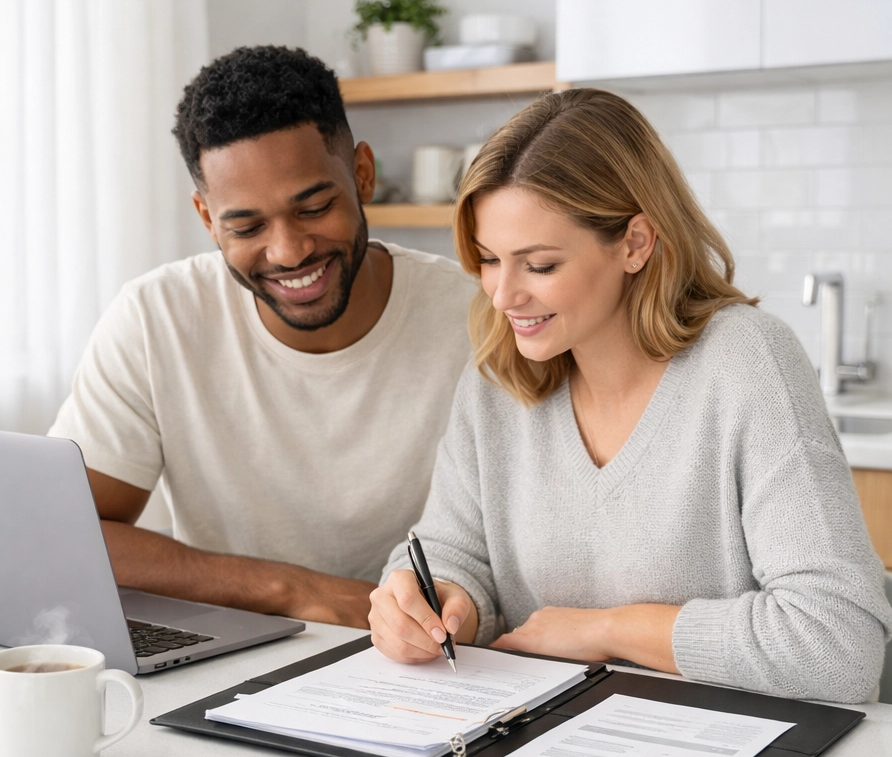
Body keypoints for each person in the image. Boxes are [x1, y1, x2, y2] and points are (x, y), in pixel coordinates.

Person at [369, 87, 892, 703]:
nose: (503, 295)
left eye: (538, 266)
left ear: (635, 244)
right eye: (488, 260)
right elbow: (454, 556)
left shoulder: (747, 362)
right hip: (547, 748)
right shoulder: (497, 378)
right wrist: (440, 605)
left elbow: (838, 645)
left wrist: (608, 630)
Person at [49, 46, 475, 628]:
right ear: (206, 218)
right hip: (235, 648)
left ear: (363, 176)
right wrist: (290, 589)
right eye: (246, 226)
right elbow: (63, 534)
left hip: (428, 657)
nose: (288, 250)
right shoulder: (157, 317)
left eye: (315, 207)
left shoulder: (476, 317)